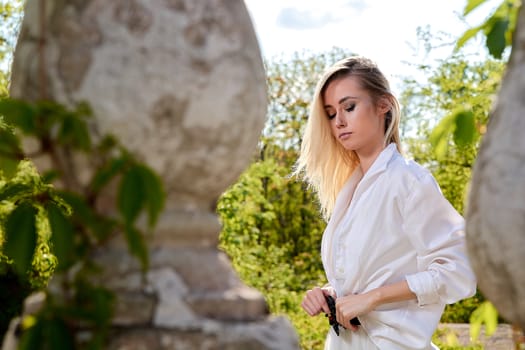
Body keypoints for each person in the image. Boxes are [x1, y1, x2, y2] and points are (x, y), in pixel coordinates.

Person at [295, 56, 477, 350]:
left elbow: (460, 271)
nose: (339, 121)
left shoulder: (408, 181)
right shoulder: (351, 192)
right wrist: (331, 295)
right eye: (330, 113)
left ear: (384, 105)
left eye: (349, 107)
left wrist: (373, 298)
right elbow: (370, 277)